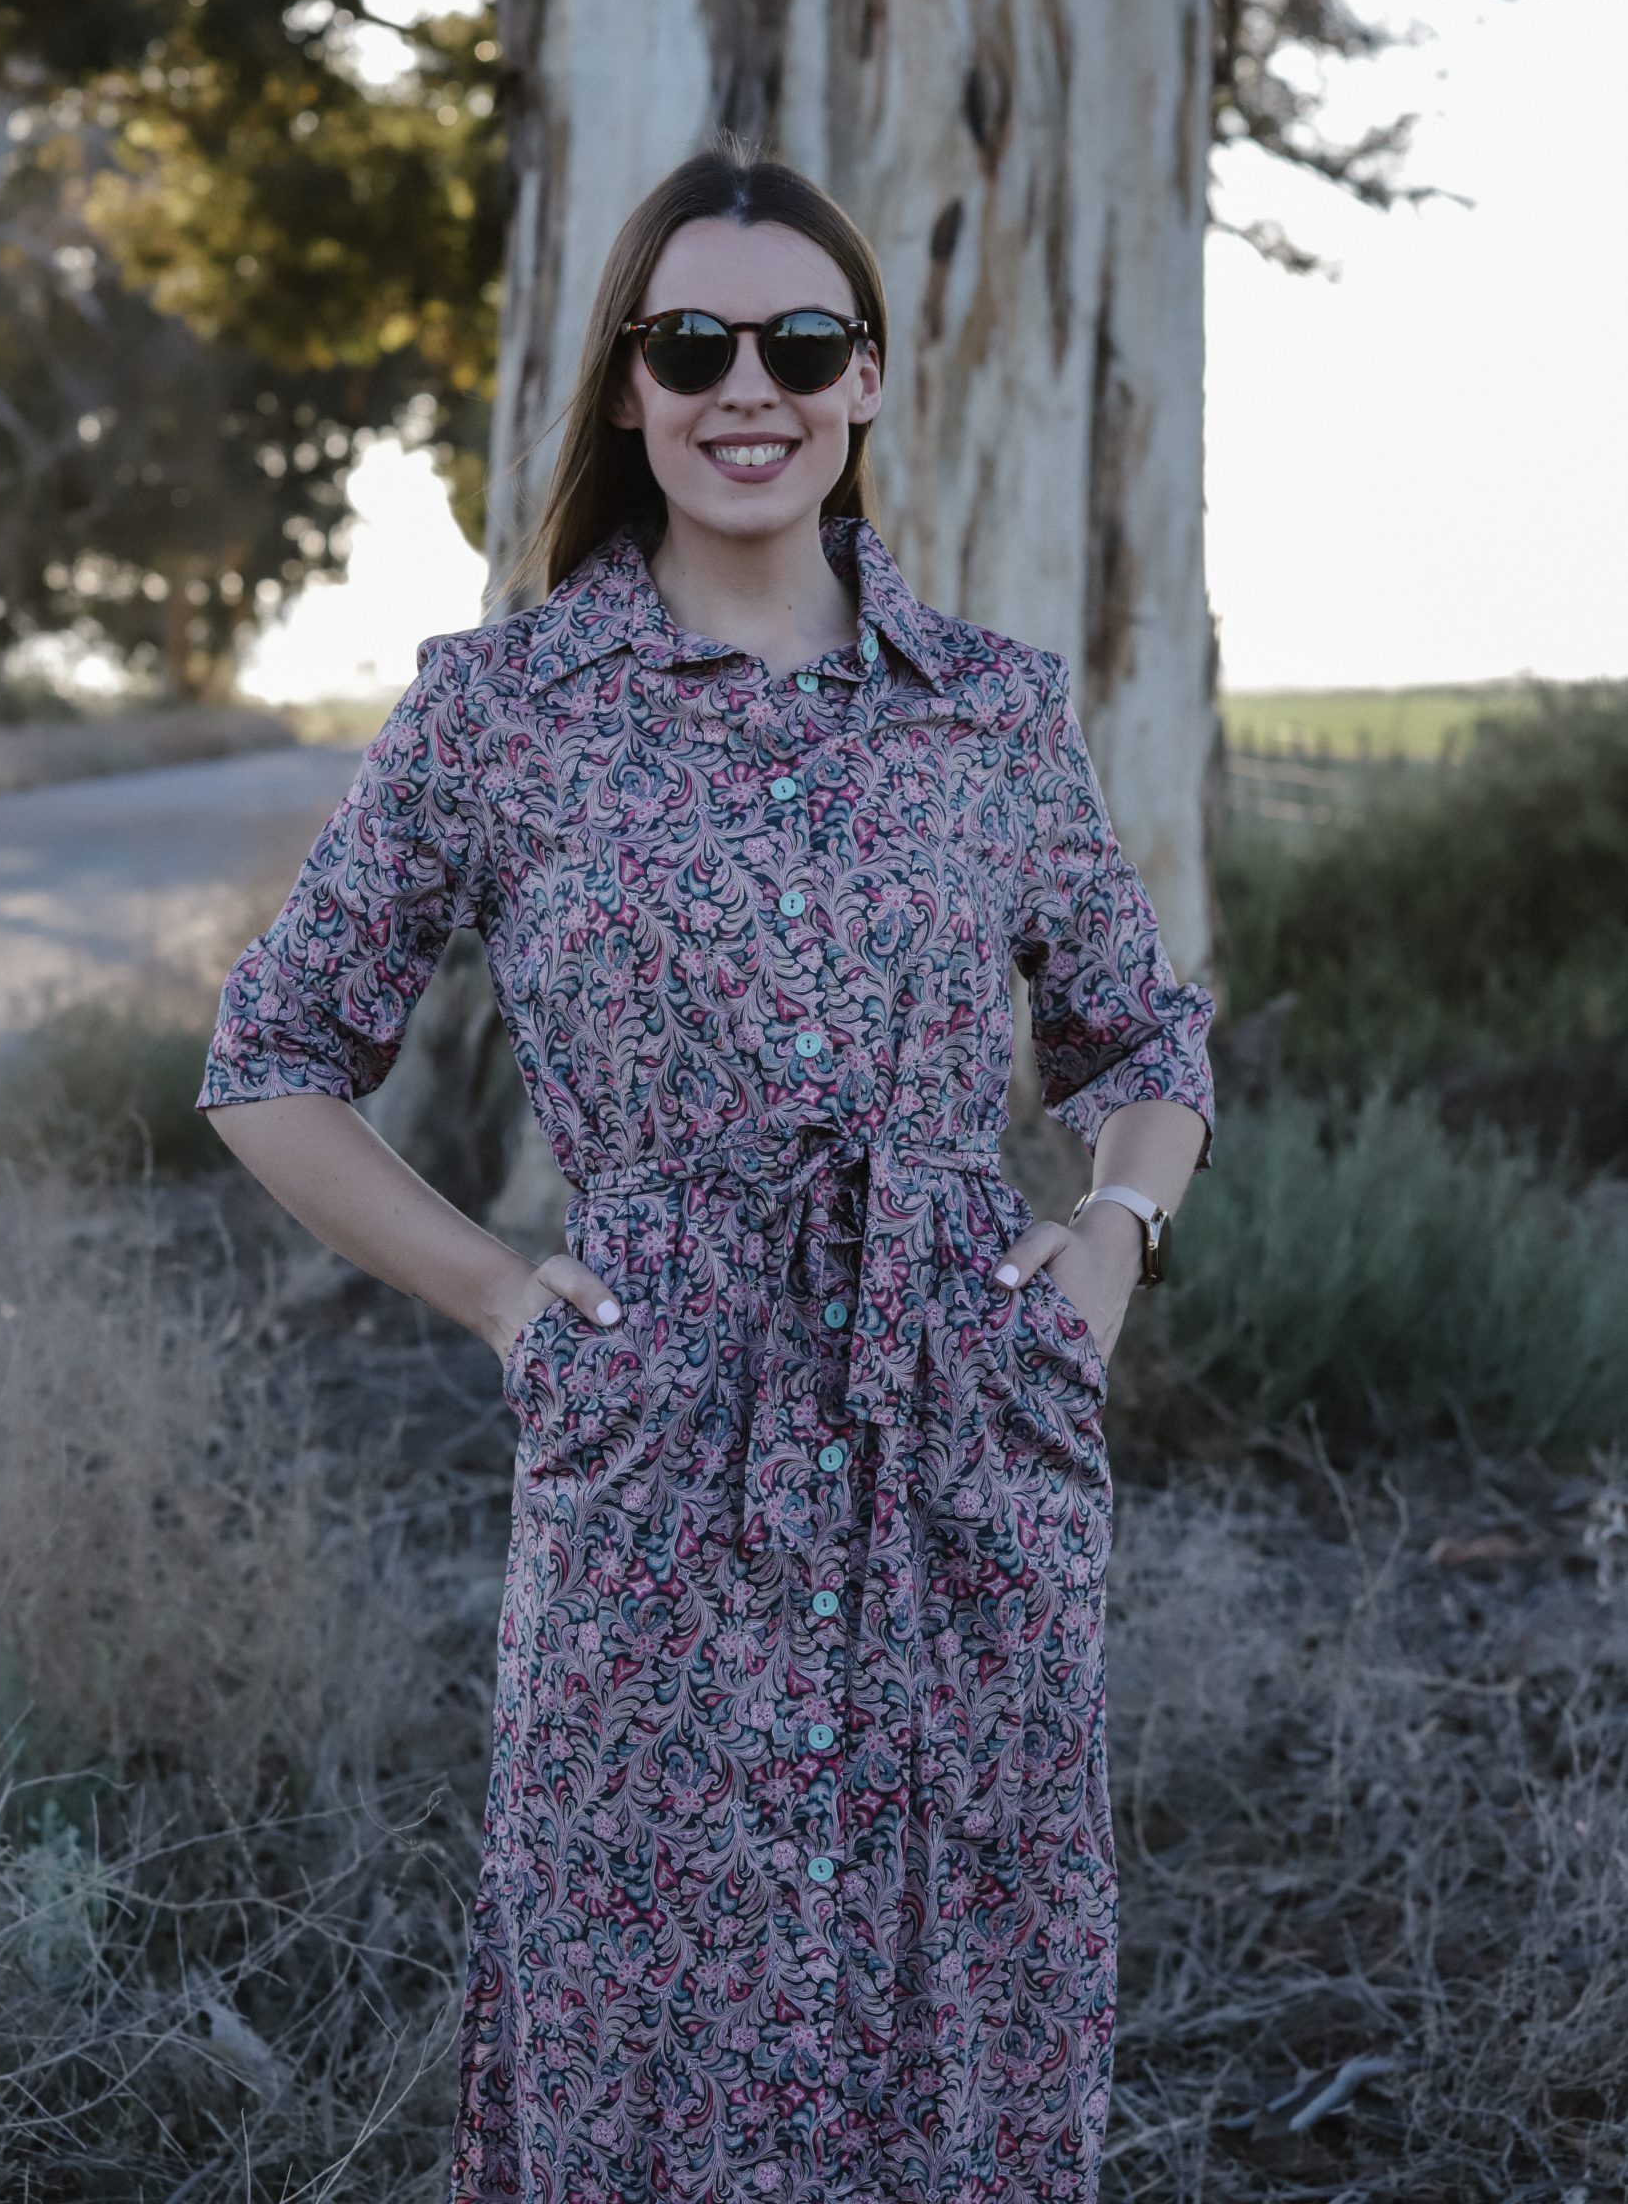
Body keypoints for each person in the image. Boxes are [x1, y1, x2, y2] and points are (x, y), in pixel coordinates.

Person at [196, 133, 1215, 2204]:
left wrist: (1111, 1236)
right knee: (640, 2006)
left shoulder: (992, 714)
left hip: (962, 1433)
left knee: (965, 1991)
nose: (747, 388)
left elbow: (1144, 1038)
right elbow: (269, 1059)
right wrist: (501, 1295)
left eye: (800, 343)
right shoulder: (503, 714)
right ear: (628, 384)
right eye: (691, 346)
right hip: (656, 1446)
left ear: (864, 380)